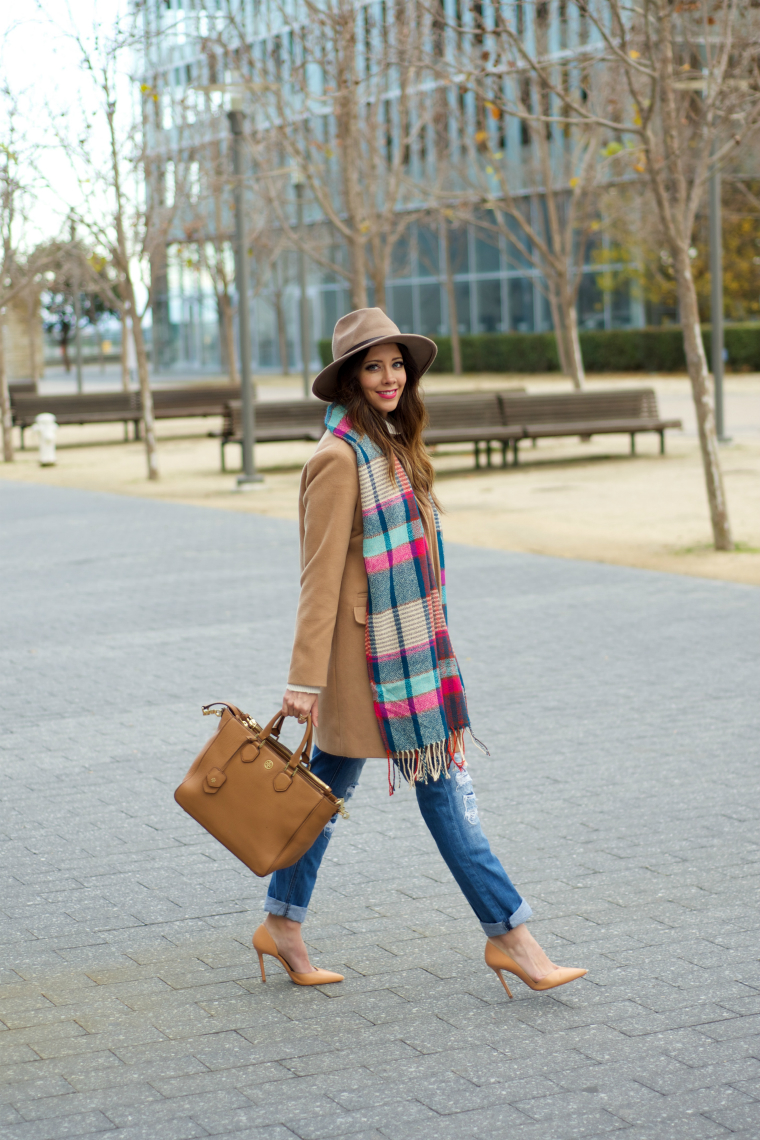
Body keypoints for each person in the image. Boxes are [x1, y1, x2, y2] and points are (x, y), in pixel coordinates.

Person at [252, 308, 587, 998]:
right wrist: (303, 682)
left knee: (325, 797)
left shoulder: (396, 448)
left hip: (407, 662)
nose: (388, 378)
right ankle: (513, 938)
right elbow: (317, 580)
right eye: (372, 367)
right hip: (362, 672)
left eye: (396, 364)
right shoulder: (339, 459)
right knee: (432, 794)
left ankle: (282, 924)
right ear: (349, 380)